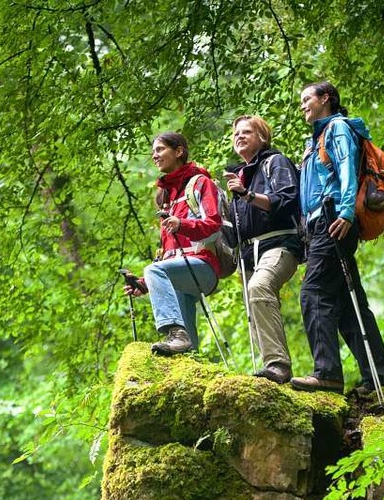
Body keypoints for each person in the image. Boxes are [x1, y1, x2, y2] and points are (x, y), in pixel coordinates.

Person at [291, 81, 384, 395]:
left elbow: (347, 169)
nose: (303, 106)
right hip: (323, 224)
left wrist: (347, 211)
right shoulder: (316, 139)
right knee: (348, 304)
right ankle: (380, 376)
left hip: (334, 219)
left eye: (307, 98)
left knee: (313, 293)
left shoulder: (337, 128)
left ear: (326, 98)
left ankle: (327, 374)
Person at [123, 132, 222, 356]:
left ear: (179, 151)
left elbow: (213, 224)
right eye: (153, 152)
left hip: (203, 266)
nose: (154, 156)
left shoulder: (200, 183)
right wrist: (144, 284)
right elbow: (169, 253)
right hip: (178, 272)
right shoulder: (167, 197)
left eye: (160, 150)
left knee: (154, 270)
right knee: (186, 350)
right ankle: (193, 367)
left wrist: (182, 224)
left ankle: (175, 333)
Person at [224, 115, 302, 383]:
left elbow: (289, 200)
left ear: (262, 137)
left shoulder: (274, 163)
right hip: (250, 254)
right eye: (236, 134)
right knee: (254, 301)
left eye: (247, 132)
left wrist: (247, 194)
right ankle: (270, 370)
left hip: (280, 243)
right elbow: (234, 233)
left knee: (259, 287)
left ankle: (278, 365)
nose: (240, 136)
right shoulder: (239, 177)